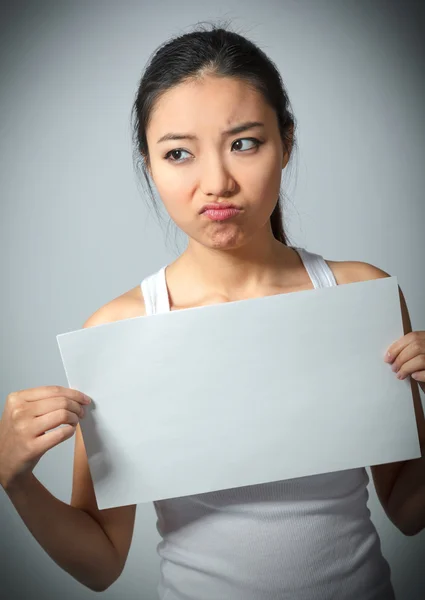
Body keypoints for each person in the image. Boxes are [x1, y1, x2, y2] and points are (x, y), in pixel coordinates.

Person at [1, 20, 425, 600]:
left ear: (287, 142)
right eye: (179, 153)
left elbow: (407, 506)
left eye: (244, 143)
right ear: (150, 164)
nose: (216, 183)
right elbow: (100, 561)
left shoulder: (358, 297)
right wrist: (14, 478)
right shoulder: (122, 333)